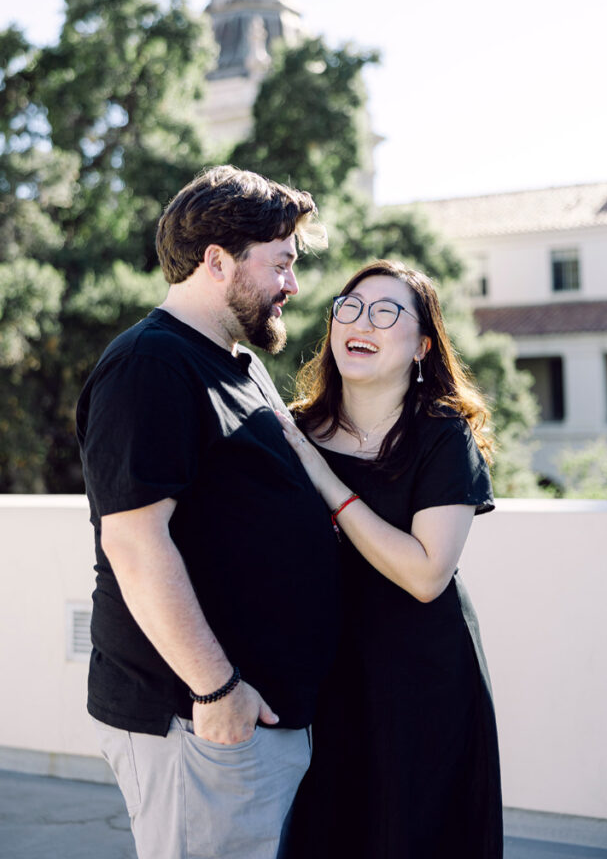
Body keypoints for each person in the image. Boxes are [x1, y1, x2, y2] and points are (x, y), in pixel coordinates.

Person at [76, 165, 339, 859]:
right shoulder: (150, 365)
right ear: (217, 261)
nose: (292, 285)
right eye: (279, 264)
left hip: (260, 718)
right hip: (200, 721)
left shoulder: (240, 366)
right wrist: (217, 688)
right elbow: (135, 546)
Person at [276, 259, 503, 859]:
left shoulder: (441, 434)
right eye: (348, 307)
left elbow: (428, 574)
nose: (361, 321)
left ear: (422, 345)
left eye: (385, 312)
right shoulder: (294, 431)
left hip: (422, 685)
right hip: (322, 684)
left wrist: (326, 483)